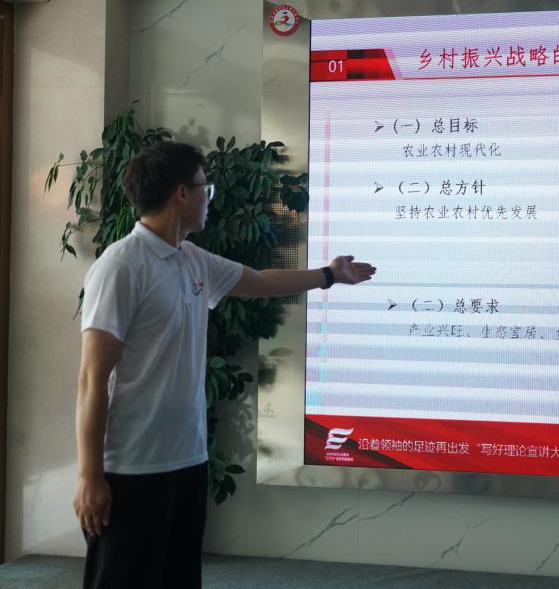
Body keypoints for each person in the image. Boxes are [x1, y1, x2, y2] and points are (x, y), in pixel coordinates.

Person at [72, 141, 375, 589]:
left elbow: (260, 281)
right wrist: (89, 476)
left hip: (188, 460)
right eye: (204, 188)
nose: (208, 198)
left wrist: (329, 275)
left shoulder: (192, 259)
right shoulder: (121, 266)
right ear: (181, 194)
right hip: (131, 469)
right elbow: (91, 379)